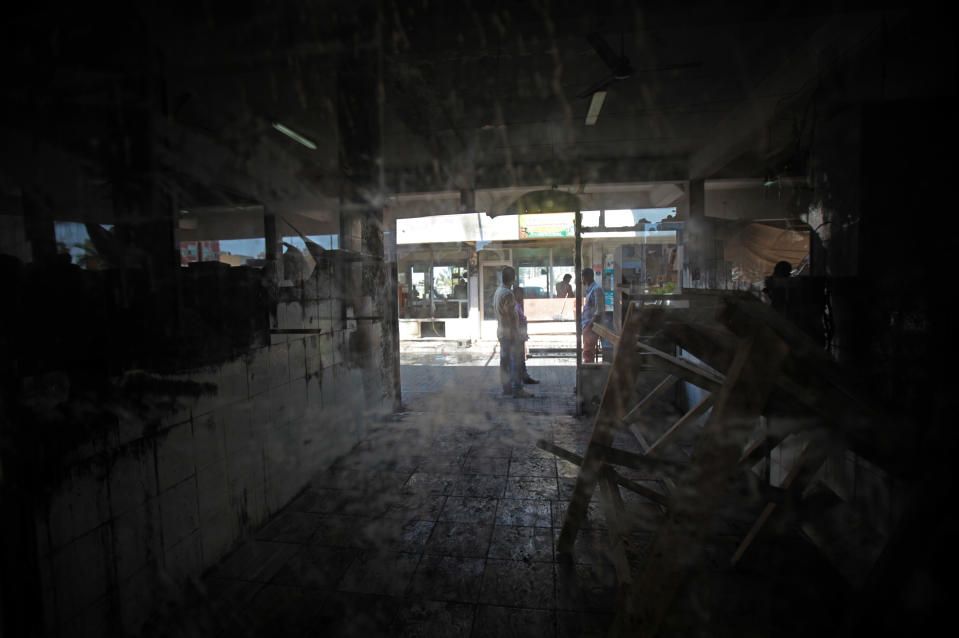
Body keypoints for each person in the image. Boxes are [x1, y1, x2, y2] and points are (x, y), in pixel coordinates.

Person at [492, 266, 533, 398]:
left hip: (502, 331)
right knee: (515, 361)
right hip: (510, 333)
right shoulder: (508, 294)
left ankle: (507, 387)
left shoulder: (498, 291)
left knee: (504, 362)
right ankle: (517, 389)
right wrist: (517, 334)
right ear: (513, 278)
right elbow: (511, 316)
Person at [513, 287, 539, 385]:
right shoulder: (515, 306)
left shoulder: (518, 305)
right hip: (518, 335)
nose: (522, 296)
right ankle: (520, 379)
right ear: (516, 295)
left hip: (521, 335)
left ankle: (524, 377)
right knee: (519, 358)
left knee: (521, 358)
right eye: (520, 294)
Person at [580, 267, 604, 363]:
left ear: (586, 277)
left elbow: (599, 311)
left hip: (591, 326)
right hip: (587, 325)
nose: (582, 280)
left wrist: (589, 327)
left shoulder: (596, 290)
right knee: (587, 352)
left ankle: (589, 372)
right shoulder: (590, 290)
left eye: (582, 277)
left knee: (588, 353)